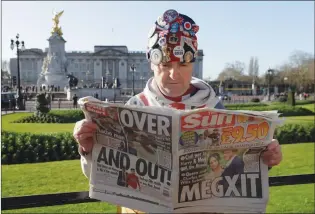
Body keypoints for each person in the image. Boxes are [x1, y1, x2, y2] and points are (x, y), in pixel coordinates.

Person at [73, 9, 283, 213]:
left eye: (183, 65)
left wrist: (265, 158)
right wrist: (89, 150)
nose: (174, 75)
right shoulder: (134, 106)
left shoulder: (215, 107)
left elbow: (235, 170)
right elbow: (102, 178)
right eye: (165, 64)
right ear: (152, 64)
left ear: (192, 63)